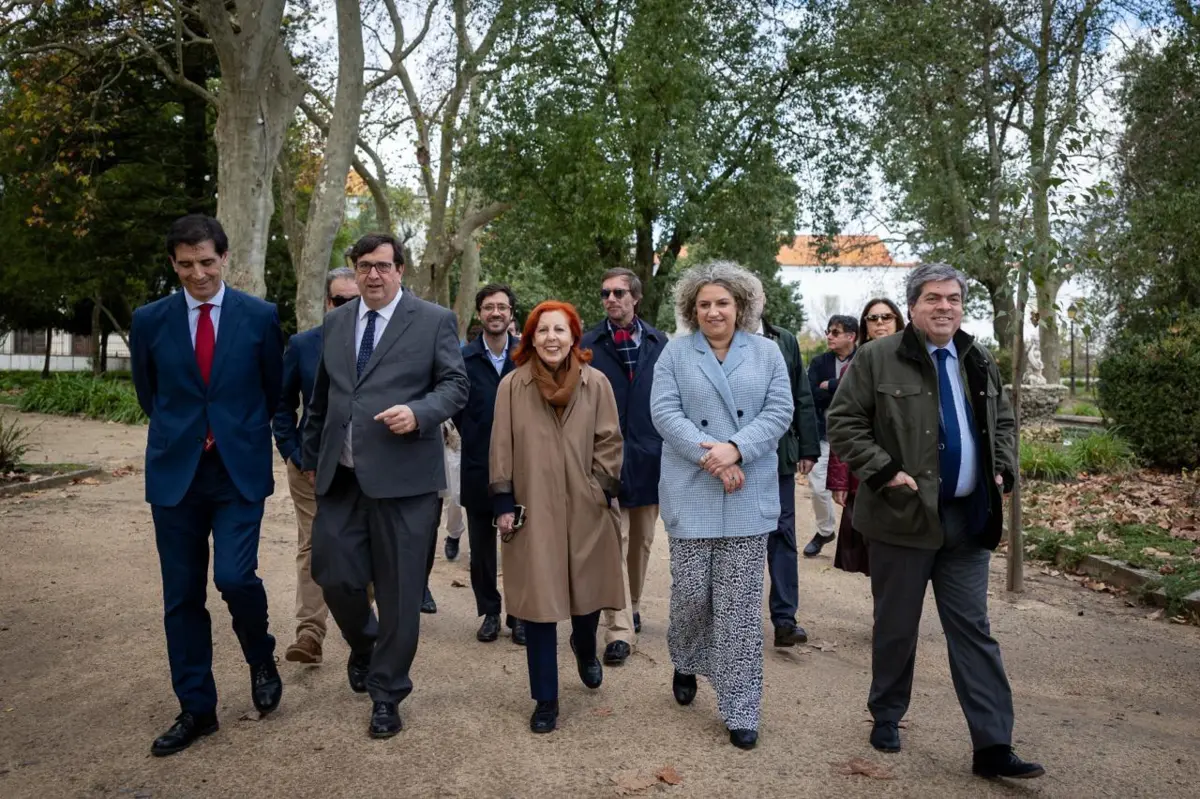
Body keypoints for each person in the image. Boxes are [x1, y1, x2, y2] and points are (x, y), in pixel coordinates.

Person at [826, 263, 1043, 779]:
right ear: (913, 306)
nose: (945, 307)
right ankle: (887, 715)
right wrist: (885, 472)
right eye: (933, 298)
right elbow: (844, 422)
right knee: (896, 626)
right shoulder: (877, 357)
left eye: (953, 299)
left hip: (967, 520)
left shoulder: (977, 359)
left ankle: (993, 745)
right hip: (901, 517)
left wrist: (1003, 468)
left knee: (973, 630)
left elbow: (1003, 422)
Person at [301, 232, 468, 739]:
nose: (373, 274)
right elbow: (323, 395)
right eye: (364, 266)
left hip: (406, 479)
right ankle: (366, 644)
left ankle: (387, 693)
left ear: (400, 270)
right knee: (332, 573)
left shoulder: (434, 320)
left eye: (382, 265)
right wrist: (310, 455)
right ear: (354, 271)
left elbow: (456, 385)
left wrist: (419, 412)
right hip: (343, 476)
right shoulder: (336, 322)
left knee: (399, 594)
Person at [130, 214, 284, 756]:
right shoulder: (149, 320)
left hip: (237, 471)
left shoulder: (260, 316)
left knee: (235, 578)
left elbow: (272, 390)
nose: (197, 274)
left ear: (224, 259)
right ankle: (197, 709)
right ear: (173, 264)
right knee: (181, 596)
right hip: (176, 474)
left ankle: (260, 654)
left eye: (206, 262)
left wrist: (232, 432)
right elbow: (149, 393)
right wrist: (187, 434)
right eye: (186, 264)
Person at [650, 261, 793, 751]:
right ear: (692, 310)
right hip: (692, 485)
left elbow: (780, 410)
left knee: (739, 607)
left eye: (723, 303)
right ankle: (687, 656)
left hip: (748, 488)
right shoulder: (674, 352)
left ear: (741, 306)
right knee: (692, 594)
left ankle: (740, 707)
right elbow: (664, 412)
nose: (713, 312)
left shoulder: (767, 352)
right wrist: (712, 457)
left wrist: (736, 449)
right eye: (704, 304)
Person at [490, 300, 625, 735]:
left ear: (573, 337)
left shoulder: (596, 382)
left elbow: (610, 440)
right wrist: (503, 501)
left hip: (587, 506)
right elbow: (501, 445)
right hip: (533, 508)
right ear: (530, 338)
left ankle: (584, 648)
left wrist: (599, 488)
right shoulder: (512, 386)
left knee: (586, 593)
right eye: (543, 330)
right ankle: (545, 698)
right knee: (539, 605)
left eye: (560, 330)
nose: (551, 338)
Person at [580, 267, 668, 666]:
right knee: (613, 542)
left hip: (650, 457)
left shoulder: (660, 343)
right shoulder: (587, 344)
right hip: (605, 459)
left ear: (635, 297)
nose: (611, 299)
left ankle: (632, 606)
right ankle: (617, 629)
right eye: (605, 293)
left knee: (641, 543)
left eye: (618, 292)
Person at [273, 267, 360, 665]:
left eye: (355, 300)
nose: (348, 307)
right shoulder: (304, 344)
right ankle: (310, 631)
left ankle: (359, 623)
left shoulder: (381, 343)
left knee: (363, 545)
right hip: (310, 464)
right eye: (340, 300)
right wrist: (292, 452)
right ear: (328, 302)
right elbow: (282, 404)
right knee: (314, 544)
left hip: (363, 466)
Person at [454, 283, 526, 645]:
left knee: (521, 545)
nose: (495, 313)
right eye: (488, 307)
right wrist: (475, 433)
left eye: (501, 307)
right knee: (481, 550)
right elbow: (455, 407)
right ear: (479, 313)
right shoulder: (463, 359)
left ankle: (520, 613)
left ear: (511, 313)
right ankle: (490, 611)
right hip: (478, 466)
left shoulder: (527, 356)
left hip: (523, 468)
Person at [826, 297, 904, 577]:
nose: (880, 323)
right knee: (873, 551)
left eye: (886, 317)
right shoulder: (856, 366)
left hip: (911, 466)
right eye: (873, 318)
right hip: (867, 469)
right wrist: (839, 480)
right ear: (865, 327)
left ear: (898, 321)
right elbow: (843, 426)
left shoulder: (918, 363)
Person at [757, 314, 820, 647]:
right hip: (732, 459)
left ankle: (785, 619)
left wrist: (808, 447)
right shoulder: (718, 337)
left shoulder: (784, 340)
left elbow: (802, 395)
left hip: (779, 455)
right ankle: (735, 619)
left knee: (782, 532)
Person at [802, 314, 859, 557]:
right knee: (818, 486)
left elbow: (861, 394)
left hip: (857, 437)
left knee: (858, 490)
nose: (829, 336)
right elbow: (811, 394)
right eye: (828, 331)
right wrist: (842, 389)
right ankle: (825, 531)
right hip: (824, 435)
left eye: (835, 332)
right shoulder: (819, 362)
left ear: (851, 336)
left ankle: (859, 541)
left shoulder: (864, 358)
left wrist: (833, 385)